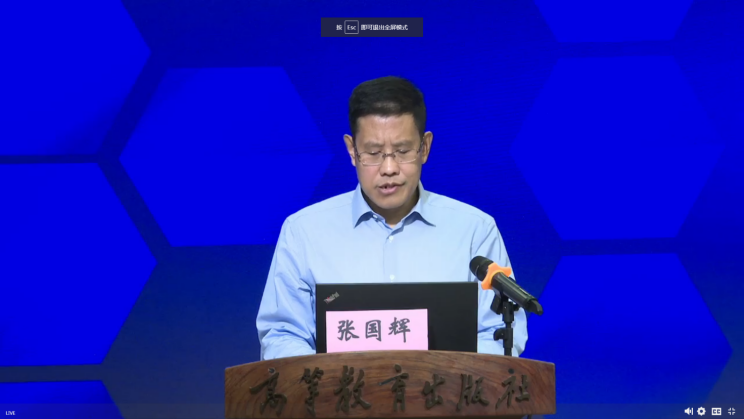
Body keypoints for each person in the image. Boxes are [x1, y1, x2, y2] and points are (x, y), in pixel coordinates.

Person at [256, 76, 527, 360]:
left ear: (425, 148)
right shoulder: (304, 231)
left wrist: (442, 378)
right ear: (352, 151)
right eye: (373, 153)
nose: (388, 168)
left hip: (447, 389)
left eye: (402, 151)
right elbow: (282, 335)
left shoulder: (474, 230)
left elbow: (498, 332)